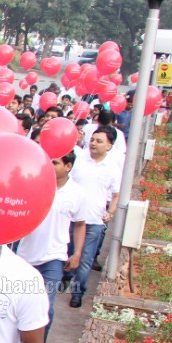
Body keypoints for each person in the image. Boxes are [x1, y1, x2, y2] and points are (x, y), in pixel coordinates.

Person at [14, 151, 87, 343]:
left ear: (68, 166)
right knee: (15, 306)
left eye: (54, 163)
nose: (49, 165)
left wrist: (77, 253)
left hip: (54, 259)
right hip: (24, 257)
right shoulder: (32, 185)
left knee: (47, 308)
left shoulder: (77, 193)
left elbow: (80, 224)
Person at [64, 125, 121, 308]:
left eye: (99, 141)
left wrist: (110, 212)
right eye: (92, 140)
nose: (93, 144)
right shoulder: (79, 161)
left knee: (86, 258)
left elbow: (116, 194)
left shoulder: (112, 168)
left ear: (109, 146)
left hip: (94, 221)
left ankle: (77, 293)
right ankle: (65, 277)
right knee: (68, 252)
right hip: (72, 218)